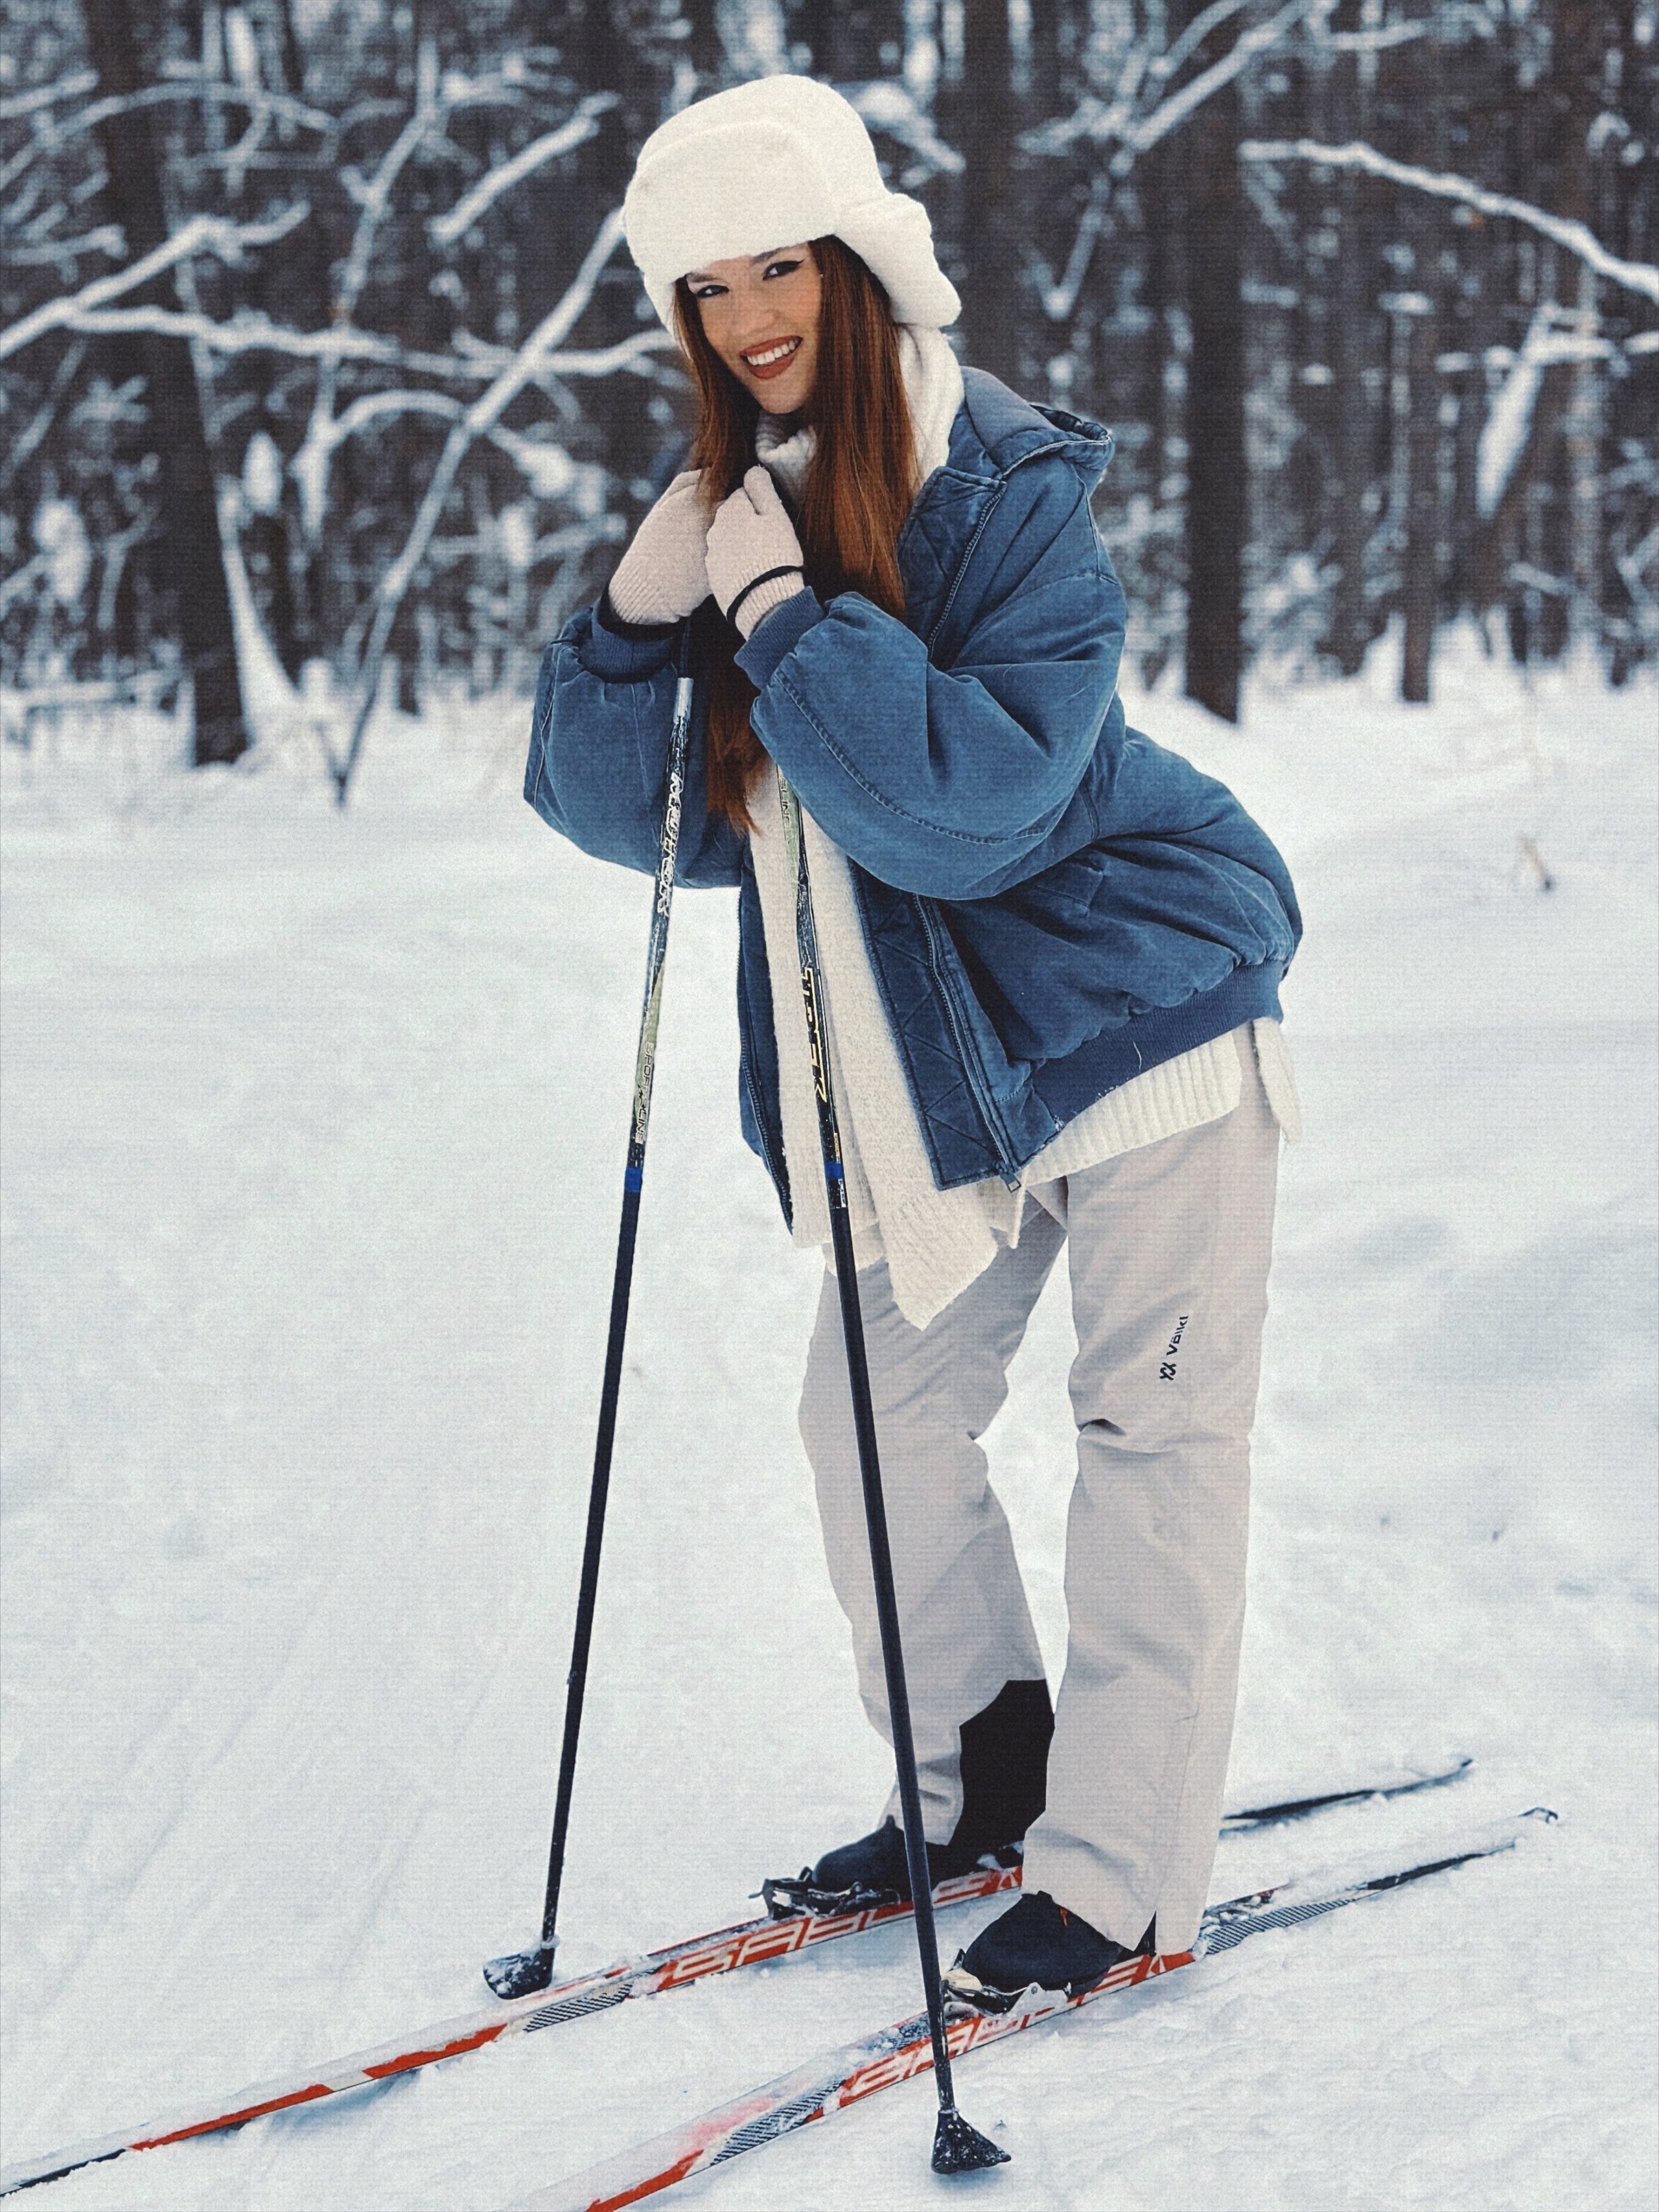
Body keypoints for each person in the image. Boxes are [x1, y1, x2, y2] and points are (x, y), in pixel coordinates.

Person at [526, 75, 1302, 2008]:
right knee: (867, 1417)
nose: (746, 315)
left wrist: (787, 615)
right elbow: (647, 833)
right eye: (702, 286)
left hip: (1142, 1018)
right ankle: (982, 1782)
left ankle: (1121, 1873)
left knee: (1151, 1438)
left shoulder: (1010, 493)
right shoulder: (738, 512)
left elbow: (968, 809)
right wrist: (639, 624)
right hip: (944, 1073)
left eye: (776, 262)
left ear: (854, 261)